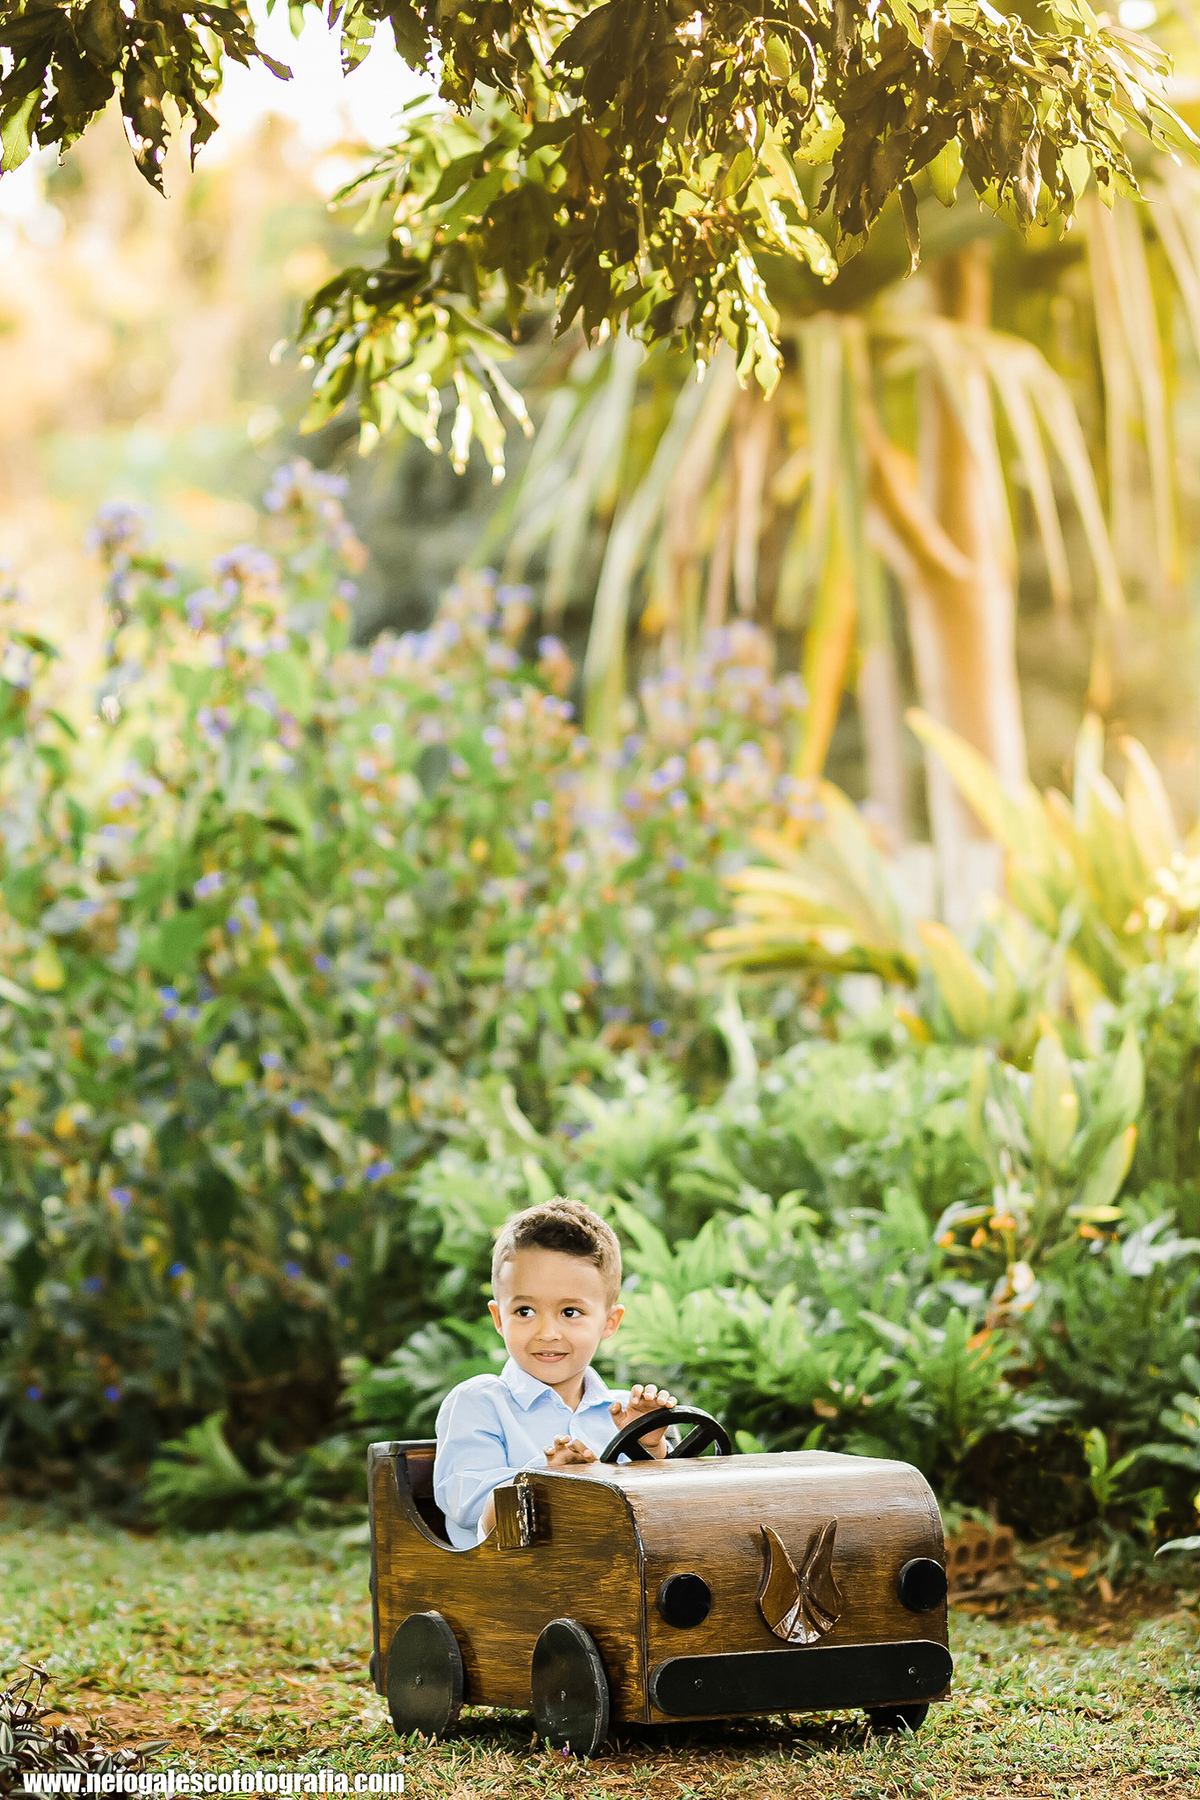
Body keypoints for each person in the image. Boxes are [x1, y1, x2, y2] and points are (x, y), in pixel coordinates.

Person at [433, 1197, 678, 1547]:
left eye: (570, 1312)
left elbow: (665, 1514)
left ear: (609, 1322)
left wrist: (650, 1447)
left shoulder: (627, 1413)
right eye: (525, 1311)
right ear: (499, 1318)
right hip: (511, 1573)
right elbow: (467, 1505)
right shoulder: (480, 1402)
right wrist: (544, 1481)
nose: (547, 1332)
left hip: (617, 1569)